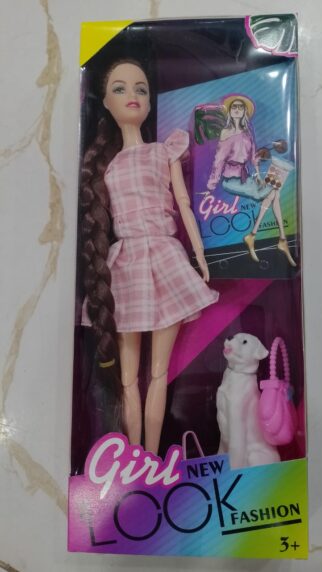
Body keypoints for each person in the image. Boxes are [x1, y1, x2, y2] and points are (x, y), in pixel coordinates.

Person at [80, 59, 218, 454]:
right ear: (105, 102)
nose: (133, 96)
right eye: (120, 89)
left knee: (159, 373)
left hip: (165, 255)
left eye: (141, 88)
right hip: (126, 265)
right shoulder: (106, 168)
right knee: (128, 380)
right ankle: (134, 456)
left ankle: (152, 458)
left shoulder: (163, 151)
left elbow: (184, 205)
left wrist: (200, 255)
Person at [207, 95, 295, 265]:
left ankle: (272, 238)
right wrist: (211, 184)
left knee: (274, 193)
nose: (237, 109)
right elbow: (219, 160)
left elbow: (253, 158)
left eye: (240, 107)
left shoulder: (247, 132)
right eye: (234, 107)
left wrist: (259, 177)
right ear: (230, 111)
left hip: (245, 177)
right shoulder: (226, 132)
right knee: (270, 188)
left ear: (244, 112)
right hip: (230, 181)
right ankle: (267, 238)